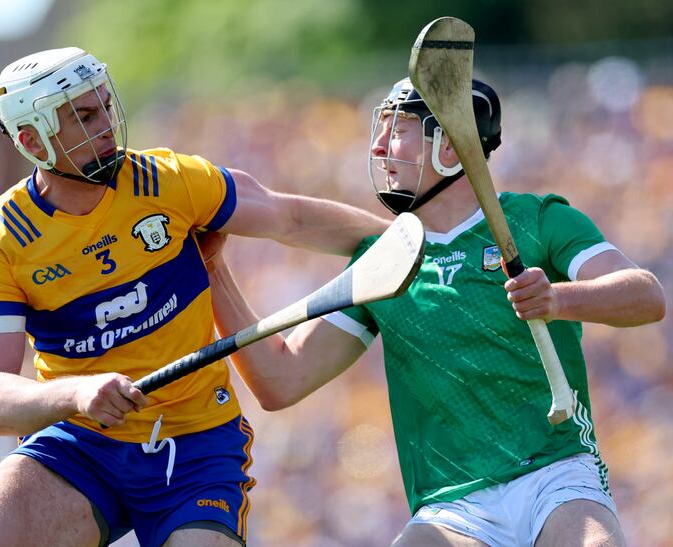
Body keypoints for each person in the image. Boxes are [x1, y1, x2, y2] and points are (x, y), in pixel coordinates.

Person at [203, 76, 666, 546]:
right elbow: (282, 380)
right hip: (452, 507)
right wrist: (212, 270)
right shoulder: (382, 263)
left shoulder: (537, 220)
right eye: (379, 129)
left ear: (448, 145)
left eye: (398, 129)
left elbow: (646, 297)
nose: (380, 146)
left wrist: (558, 299)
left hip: (558, 477)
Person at [0, 47, 389, 547]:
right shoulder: (2, 239)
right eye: (84, 116)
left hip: (196, 442)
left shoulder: (166, 179)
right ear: (32, 140)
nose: (107, 127)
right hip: (81, 444)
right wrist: (76, 393)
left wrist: (404, 240)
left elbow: (287, 218)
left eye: (105, 107)